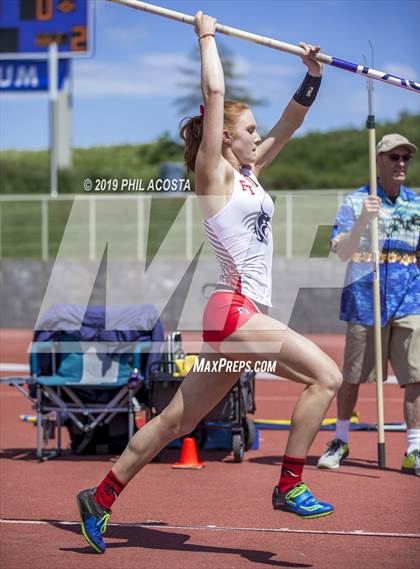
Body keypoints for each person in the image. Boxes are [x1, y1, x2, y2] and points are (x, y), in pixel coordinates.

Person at [77, 12, 343, 554]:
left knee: (177, 419)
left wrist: (311, 75)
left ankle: (98, 498)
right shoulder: (213, 174)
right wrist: (206, 36)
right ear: (225, 136)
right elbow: (214, 89)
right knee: (326, 377)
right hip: (237, 311)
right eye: (248, 131)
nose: (257, 137)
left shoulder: (250, 173)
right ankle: (290, 483)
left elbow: (288, 125)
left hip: (237, 319)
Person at [317, 134, 420, 475]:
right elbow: (342, 251)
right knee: (352, 377)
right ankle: (340, 439)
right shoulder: (355, 201)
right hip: (366, 303)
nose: (401, 163)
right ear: (378, 161)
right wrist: (364, 220)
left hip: (409, 301)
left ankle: (414, 449)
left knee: (416, 377)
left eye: (406, 157)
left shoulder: (416, 203)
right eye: (394, 157)